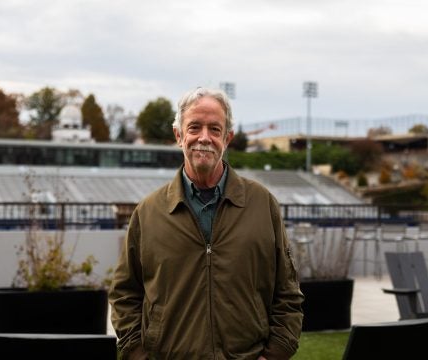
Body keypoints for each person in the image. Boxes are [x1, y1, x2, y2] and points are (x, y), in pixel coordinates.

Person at [109, 87, 304, 359]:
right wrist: (137, 353)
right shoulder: (149, 212)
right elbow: (124, 294)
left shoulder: (262, 204)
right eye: (194, 127)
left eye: (215, 129)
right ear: (179, 136)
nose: (204, 137)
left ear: (227, 138)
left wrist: (275, 354)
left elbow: (288, 293)